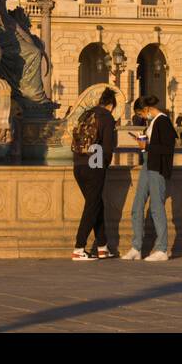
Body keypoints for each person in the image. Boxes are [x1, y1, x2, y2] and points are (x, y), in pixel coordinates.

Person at [123, 95, 175, 262]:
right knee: (137, 205)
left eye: (141, 114)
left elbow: (168, 148)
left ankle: (162, 248)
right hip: (148, 164)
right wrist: (143, 144)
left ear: (146, 109)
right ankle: (136, 247)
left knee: (156, 206)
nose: (142, 117)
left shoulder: (163, 121)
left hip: (157, 167)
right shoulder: (152, 123)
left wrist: (147, 146)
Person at [71, 88, 119, 261]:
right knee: (92, 206)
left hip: (78, 164)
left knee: (96, 203)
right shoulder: (107, 117)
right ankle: (79, 247)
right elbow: (107, 147)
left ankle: (102, 247)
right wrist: (103, 165)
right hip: (94, 164)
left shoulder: (87, 114)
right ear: (111, 105)